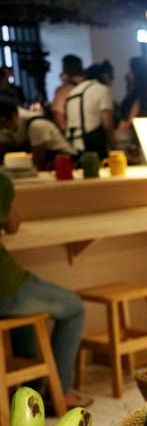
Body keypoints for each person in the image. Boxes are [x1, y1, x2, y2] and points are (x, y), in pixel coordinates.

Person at [0, 173, 90, 408]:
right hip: (4, 287)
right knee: (73, 307)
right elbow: (13, 225)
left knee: (23, 317)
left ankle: (30, 391)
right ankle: (59, 391)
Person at [0, 96, 76, 170]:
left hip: (67, 163)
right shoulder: (9, 127)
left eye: (3, 123)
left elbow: (38, 163)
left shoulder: (36, 124)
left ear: (14, 116)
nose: (3, 128)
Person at [64, 63, 114, 158]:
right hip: (92, 144)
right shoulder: (101, 89)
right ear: (105, 76)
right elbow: (107, 124)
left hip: (71, 143)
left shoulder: (73, 92)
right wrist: (114, 144)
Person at [118, 57, 147, 131]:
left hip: (136, 134)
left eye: (130, 70)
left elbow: (127, 122)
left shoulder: (138, 96)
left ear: (137, 72)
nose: (128, 74)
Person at [51, 55, 85, 131]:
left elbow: (58, 113)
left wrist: (66, 131)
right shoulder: (91, 85)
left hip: (74, 131)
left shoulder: (62, 90)